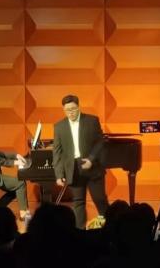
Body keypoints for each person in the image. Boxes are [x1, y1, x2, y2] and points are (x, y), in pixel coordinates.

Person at [53, 94, 108, 229]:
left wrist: (91, 159)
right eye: (67, 110)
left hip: (92, 166)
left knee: (100, 199)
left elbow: (100, 142)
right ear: (63, 110)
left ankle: (110, 228)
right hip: (73, 168)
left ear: (78, 107)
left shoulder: (92, 121)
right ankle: (80, 232)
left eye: (73, 109)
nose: (70, 112)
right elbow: (57, 152)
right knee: (78, 202)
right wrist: (59, 174)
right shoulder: (59, 126)